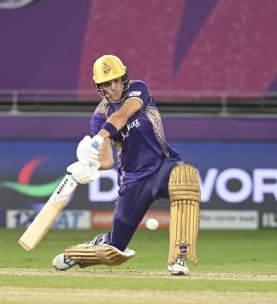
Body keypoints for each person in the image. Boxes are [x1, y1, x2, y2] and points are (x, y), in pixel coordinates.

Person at [53, 54, 201, 275]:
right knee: (114, 250)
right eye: (107, 83)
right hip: (133, 180)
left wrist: (98, 137)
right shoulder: (99, 117)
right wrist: (88, 166)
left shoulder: (138, 90)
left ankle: (178, 257)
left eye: (116, 80)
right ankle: (75, 254)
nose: (113, 87)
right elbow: (107, 161)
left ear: (124, 77)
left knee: (185, 179)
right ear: (99, 87)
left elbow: (122, 116)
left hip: (163, 165)